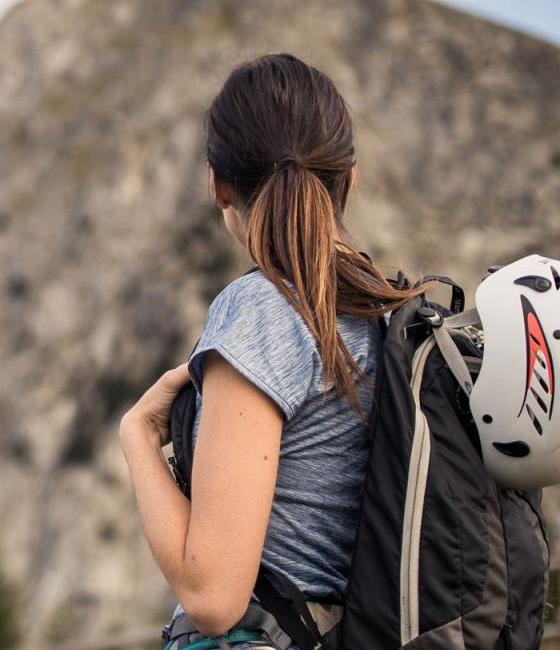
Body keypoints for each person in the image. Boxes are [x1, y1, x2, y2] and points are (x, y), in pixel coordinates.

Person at [115, 53, 428, 648]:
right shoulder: (385, 314)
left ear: (218, 184)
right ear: (350, 179)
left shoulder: (263, 311)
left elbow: (213, 596)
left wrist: (137, 437)